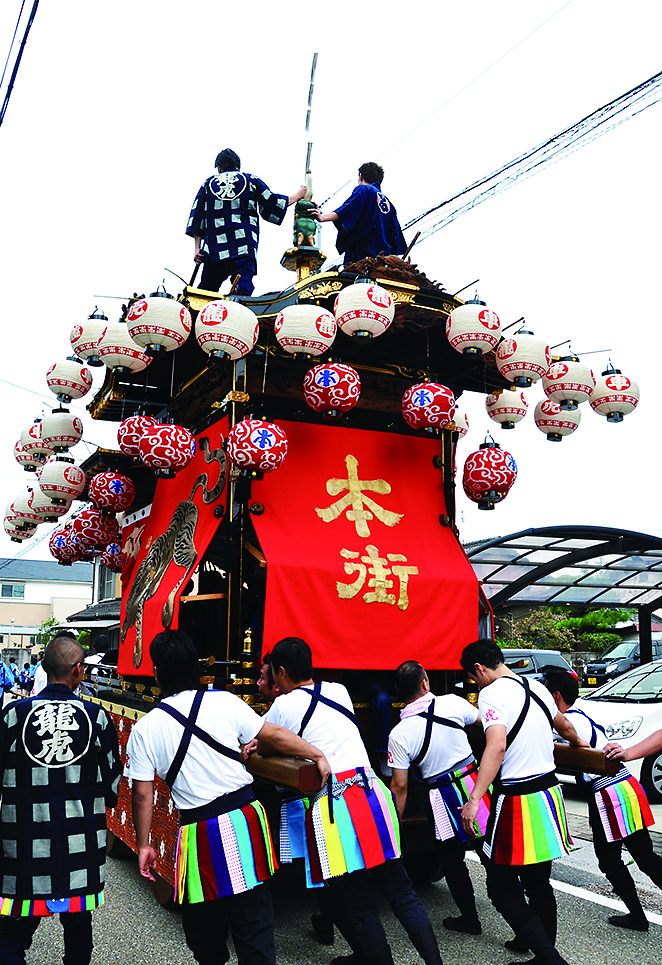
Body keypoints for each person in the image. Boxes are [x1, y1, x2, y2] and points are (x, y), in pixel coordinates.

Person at [126, 629, 330, 965]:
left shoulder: (146, 729)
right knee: (254, 927)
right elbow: (274, 736)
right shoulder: (223, 701)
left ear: (157, 673)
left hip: (197, 833)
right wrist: (317, 754)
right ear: (197, 668)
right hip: (245, 820)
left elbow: (142, 794)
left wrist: (145, 843)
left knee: (204, 935)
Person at [258, 636, 442, 965]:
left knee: (360, 899)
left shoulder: (284, 706)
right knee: (401, 890)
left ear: (280, 672)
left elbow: (266, 743)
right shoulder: (337, 691)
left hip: (337, 804)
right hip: (374, 792)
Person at [458, 640, 587, 965]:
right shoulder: (537, 687)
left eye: (473, 678)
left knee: (500, 886)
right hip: (548, 794)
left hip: (517, 800)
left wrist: (474, 798)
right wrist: (580, 746)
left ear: (478, 669)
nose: (476, 684)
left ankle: (547, 955)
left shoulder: (491, 694)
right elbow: (566, 726)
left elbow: (497, 745)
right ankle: (539, 947)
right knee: (538, 882)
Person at [0, 635, 121, 965]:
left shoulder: (12, 716)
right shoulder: (96, 719)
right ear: (78, 671)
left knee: (11, 937)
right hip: (79, 846)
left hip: (22, 844)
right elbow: (112, 786)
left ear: (42, 667)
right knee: (79, 930)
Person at [543, 668, 662, 931]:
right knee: (639, 856)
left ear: (555, 695)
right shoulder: (577, 716)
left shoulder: (567, 722)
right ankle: (637, 916)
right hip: (620, 788)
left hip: (610, 793)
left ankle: (638, 917)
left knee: (622, 859)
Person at [388, 660, 490, 935]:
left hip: (441, 797)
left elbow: (399, 787)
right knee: (491, 853)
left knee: (452, 861)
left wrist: (394, 827)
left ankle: (470, 918)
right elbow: (484, 724)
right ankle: (517, 915)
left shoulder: (398, 734)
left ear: (399, 691)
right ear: (425, 683)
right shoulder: (453, 703)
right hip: (475, 785)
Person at [187, 148, 306, 296]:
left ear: (219, 167)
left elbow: (197, 217)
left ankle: (200, 314)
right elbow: (271, 202)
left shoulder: (208, 184)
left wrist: (197, 248)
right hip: (243, 244)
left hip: (214, 248)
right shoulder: (251, 180)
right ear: (238, 166)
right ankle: (240, 308)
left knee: (205, 292)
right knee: (243, 285)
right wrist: (298, 195)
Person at [312, 162, 406, 266]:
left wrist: (322, 217)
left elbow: (347, 209)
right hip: (383, 262)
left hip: (364, 256)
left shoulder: (364, 189)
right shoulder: (390, 206)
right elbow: (396, 239)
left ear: (361, 176)